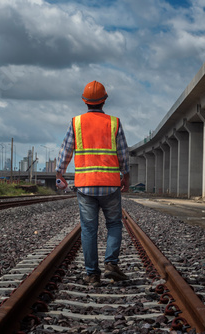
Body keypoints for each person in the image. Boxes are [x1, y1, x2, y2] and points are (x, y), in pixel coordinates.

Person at [56, 80, 130, 287]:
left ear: (84, 101)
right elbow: (123, 154)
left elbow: (66, 151)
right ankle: (111, 263)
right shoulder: (114, 122)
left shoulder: (76, 122)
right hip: (110, 184)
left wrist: (59, 173)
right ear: (104, 100)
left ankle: (92, 275)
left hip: (86, 186)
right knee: (114, 223)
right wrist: (126, 177)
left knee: (89, 228)